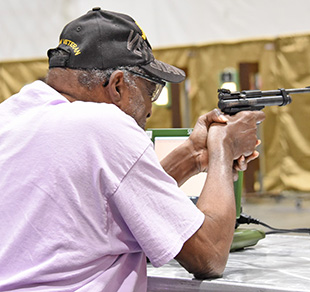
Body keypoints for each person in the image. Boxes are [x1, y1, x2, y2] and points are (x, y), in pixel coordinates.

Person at [0, 8, 265, 291]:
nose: (149, 108)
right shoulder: (102, 122)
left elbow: (112, 200)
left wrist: (192, 156)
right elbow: (209, 255)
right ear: (117, 86)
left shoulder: (11, 116)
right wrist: (224, 147)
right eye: (149, 90)